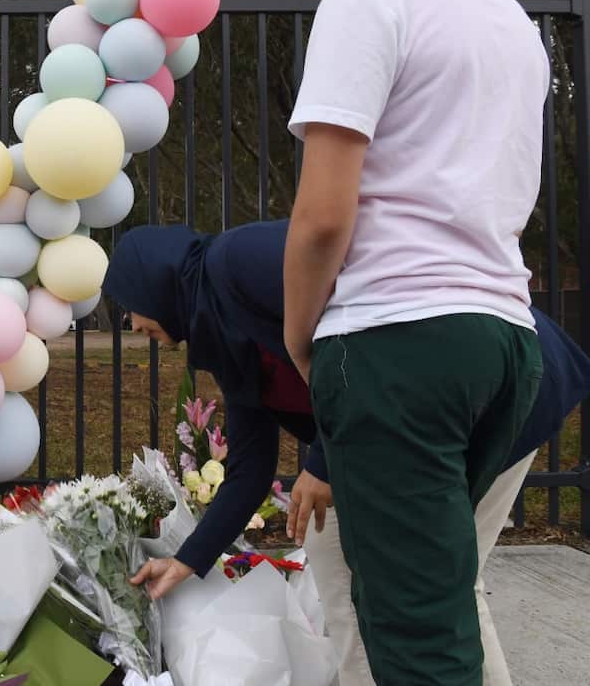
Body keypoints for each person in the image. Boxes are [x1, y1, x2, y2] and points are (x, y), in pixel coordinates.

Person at [109, 221, 590, 686]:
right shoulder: (223, 339)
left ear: (155, 282)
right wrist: (188, 559)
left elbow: (370, 323)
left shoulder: (238, 261)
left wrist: (322, 461)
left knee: (433, 579)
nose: (131, 323)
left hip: (482, 394)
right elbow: (250, 470)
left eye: (130, 305)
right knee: (351, 553)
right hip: (409, 418)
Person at [282, 0, 548, 683]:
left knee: (414, 639)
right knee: (436, 602)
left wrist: (302, 337)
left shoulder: (368, 4)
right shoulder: (512, 22)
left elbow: (324, 216)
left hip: (398, 343)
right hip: (506, 343)